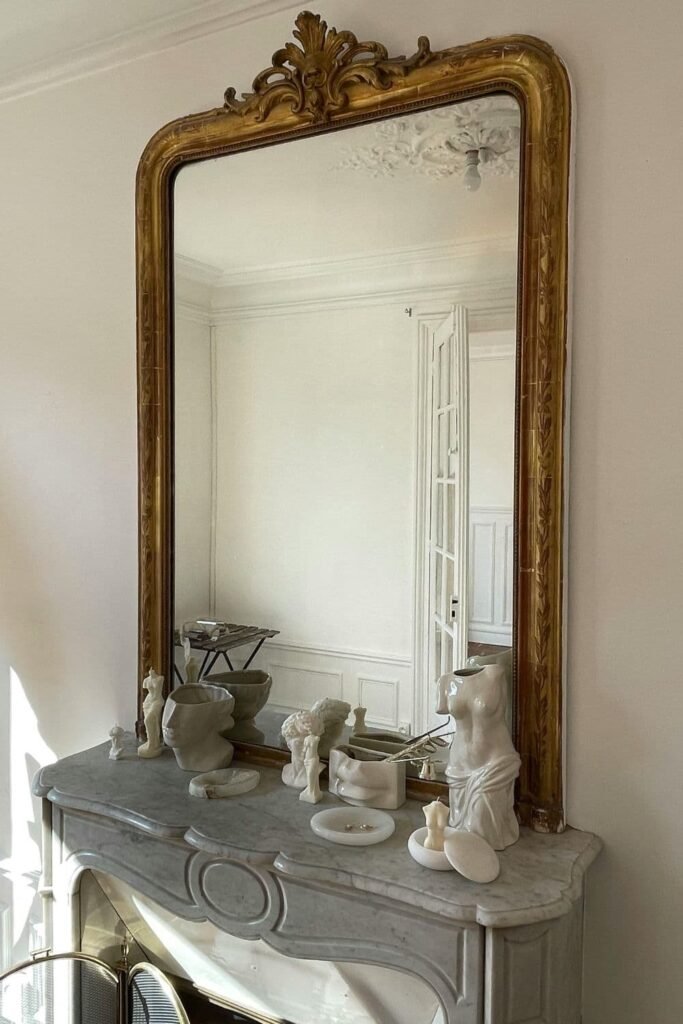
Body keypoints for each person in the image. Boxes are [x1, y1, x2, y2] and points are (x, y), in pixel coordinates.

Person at [436, 664, 520, 850]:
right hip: (459, 766)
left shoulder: (494, 674)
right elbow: (441, 709)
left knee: (480, 827)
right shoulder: (446, 681)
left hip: (493, 761)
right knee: (459, 832)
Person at [162, 683, 235, 771]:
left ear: (213, 720)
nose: (169, 724)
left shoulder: (221, 754)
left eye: (184, 716)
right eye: (168, 711)